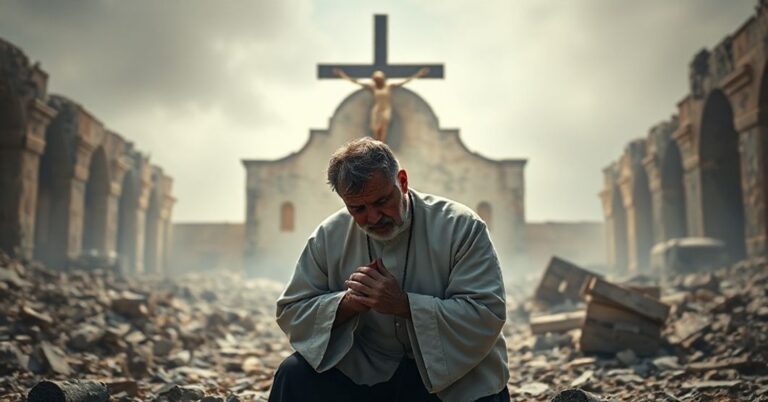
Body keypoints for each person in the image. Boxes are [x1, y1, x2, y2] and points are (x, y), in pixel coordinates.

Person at [269, 138, 510, 402]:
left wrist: (404, 304)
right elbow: (291, 311)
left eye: (382, 201)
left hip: (452, 376)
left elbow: (486, 313)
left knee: (481, 392)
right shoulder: (329, 236)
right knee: (293, 376)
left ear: (402, 182)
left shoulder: (461, 227)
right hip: (366, 371)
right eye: (357, 208)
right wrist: (348, 303)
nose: (372, 217)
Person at [334, 67, 430, 143]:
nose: (377, 81)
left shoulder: (389, 87)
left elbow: (405, 81)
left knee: (383, 127)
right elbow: (356, 82)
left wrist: (419, 74)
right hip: (377, 110)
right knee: (376, 129)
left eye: (378, 79)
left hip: (385, 109)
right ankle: (377, 144)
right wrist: (342, 75)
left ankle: (382, 144)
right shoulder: (373, 87)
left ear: (382, 79)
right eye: (375, 80)